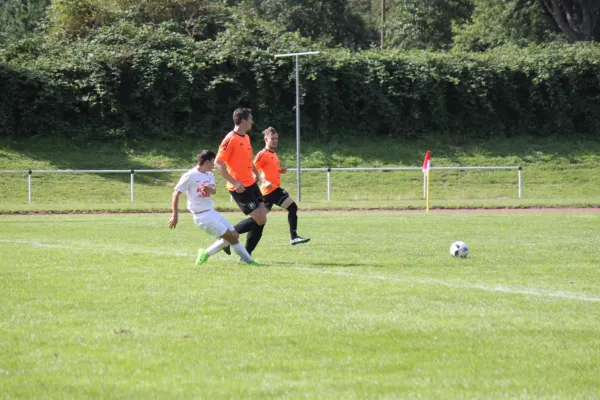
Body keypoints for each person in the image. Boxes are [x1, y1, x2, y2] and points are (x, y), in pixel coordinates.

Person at [168, 150, 259, 265]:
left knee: (234, 235)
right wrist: (174, 215)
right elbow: (175, 194)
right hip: (201, 216)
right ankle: (249, 261)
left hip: (212, 212)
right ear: (207, 162)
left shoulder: (209, 175)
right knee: (231, 237)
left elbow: (214, 191)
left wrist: (208, 189)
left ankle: (205, 253)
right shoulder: (189, 175)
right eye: (213, 162)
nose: (214, 165)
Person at [215, 107, 268, 257]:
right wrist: (235, 182)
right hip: (240, 187)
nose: (252, 121)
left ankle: (247, 254)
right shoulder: (230, 139)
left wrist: (257, 174)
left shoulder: (245, 137)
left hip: (251, 183)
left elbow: (248, 159)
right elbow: (218, 163)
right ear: (244, 121)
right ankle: (227, 237)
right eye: (250, 119)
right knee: (260, 218)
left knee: (261, 219)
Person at [255, 127, 310, 245]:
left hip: (268, 191)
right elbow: (252, 170)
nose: (275, 141)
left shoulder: (273, 154)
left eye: (276, 138)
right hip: (270, 189)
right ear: (266, 139)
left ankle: (232, 234)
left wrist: (280, 170)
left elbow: (270, 170)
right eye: (272, 138)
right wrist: (263, 181)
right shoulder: (262, 154)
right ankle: (294, 237)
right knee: (292, 207)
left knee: (258, 220)